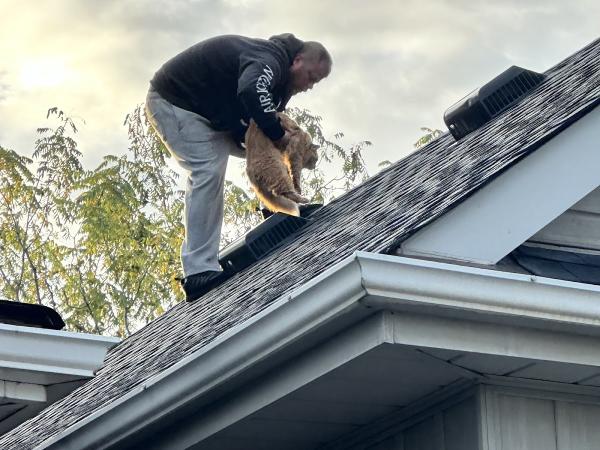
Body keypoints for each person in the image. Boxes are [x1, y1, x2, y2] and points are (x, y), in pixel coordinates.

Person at [145, 33, 332, 302]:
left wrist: (276, 138)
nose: (310, 86)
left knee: (264, 147)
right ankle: (198, 271)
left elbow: (262, 131)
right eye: (311, 77)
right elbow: (250, 89)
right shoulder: (271, 60)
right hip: (176, 101)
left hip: (211, 112)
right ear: (298, 60)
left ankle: (281, 206)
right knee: (208, 171)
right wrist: (278, 134)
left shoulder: (282, 84)